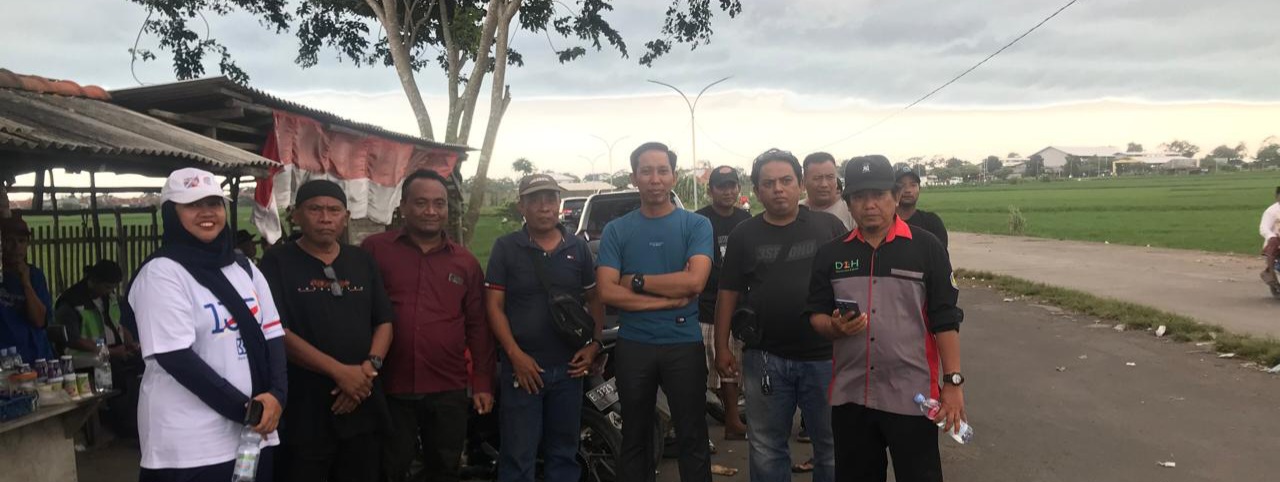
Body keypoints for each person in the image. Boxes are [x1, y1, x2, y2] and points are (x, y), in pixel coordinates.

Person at [805, 155, 965, 482]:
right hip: (851, 396)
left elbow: (945, 319)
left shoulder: (926, 248)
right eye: (860, 197)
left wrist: (952, 383)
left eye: (878, 195)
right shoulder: (831, 255)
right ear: (848, 202)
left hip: (913, 395)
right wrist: (834, 326)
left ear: (895, 196)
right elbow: (816, 315)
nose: (870, 205)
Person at [128, 167, 287, 482]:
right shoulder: (162, 273)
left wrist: (278, 396)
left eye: (214, 203)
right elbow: (176, 358)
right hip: (191, 444)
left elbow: (272, 335)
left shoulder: (244, 269)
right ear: (172, 214)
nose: (206, 212)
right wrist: (248, 411)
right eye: (192, 204)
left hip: (253, 435)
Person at [713, 149, 846, 482]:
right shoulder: (744, 234)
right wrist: (722, 347)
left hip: (824, 357)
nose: (778, 189)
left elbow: (848, 281)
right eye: (768, 183)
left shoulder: (828, 226)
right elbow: (727, 293)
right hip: (764, 358)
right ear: (757, 191)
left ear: (799, 184)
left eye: (786, 180)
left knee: (831, 445)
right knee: (766, 446)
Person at [362, 169, 495, 482]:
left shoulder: (465, 262)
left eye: (439, 203)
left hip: (446, 384)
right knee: (389, 467)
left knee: (444, 467)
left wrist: (482, 383)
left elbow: (478, 326)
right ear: (404, 206)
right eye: (421, 203)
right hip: (389, 383)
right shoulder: (375, 250)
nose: (431, 211)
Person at [258, 180, 394, 482]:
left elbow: (384, 321)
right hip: (306, 406)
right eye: (315, 209)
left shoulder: (361, 260)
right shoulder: (277, 262)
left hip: (363, 398)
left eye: (334, 210)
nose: (325, 218)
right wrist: (340, 373)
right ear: (295, 215)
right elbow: (277, 330)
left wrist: (367, 371)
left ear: (346, 217)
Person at [597, 142, 714, 482]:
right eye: (646, 171)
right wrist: (665, 300)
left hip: (683, 344)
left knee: (692, 433)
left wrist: (635, 281)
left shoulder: (696, 225)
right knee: (635, 434)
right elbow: (607, 291)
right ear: (634, 177)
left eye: (663, 171)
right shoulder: (617, 230)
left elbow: (694, 282)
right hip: (634, 344)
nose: (655, 179)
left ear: (674, 176)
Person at [484, 174, 604, 482]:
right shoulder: (506, 248)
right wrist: (515, 356)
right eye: (534, 200)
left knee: (564, 452)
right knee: (518, 455)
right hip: (523, 370)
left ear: (559, 204)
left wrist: (594, 345)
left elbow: (594, 299)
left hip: (568, 369)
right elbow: (494, 306)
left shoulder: (578, 248)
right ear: (521, 206)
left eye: (550, 199)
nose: (544, 206)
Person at [693, 165, 751, 440]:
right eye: (721, 186)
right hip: (705, 306)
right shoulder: (698, 220)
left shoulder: (745, 219)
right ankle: (698, 428)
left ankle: (732, 421)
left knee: (731, 368)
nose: (728, 192)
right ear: (710, 190)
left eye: (732, 186)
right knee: (700, 372)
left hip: (738, 307)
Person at [55, 259, 142, 437]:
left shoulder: (108, 297)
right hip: (85, 358)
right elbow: (73, 340)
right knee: (116, 374)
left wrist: (128, 341)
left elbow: (115, 324)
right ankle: (117, 421)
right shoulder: (71, 303)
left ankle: (137, 416)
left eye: (113, 287)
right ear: (93, 280)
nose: (111, 291)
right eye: (107, 287)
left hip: (112, 351)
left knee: (143, 364)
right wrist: (110, 352)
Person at [0, 214, 53, 364]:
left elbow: (39, 321)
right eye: (9, 241)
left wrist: (26, 283)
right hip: (6, 359)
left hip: (37, 357)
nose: (16, 247)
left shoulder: (35, 276)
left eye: (21, 241)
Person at [895, 165, 949, 249]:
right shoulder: (885, 224)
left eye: (913, 185)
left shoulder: (932, 223)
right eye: (902, 185)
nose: (908, 190)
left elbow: (941, 255)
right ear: (893, 190)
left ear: (919, 189)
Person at [799, 152, 854, 230]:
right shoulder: (795, 211)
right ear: (804, 181)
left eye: (830, 177)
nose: (824, 184)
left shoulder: (851, 210)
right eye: (817, 178)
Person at [1258, 186, 1280, 289]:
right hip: (1276, 243)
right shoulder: (1271, 211)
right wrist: (1271, 236)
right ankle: (1271, 273)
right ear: (1277, 196)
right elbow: (1263, 228)